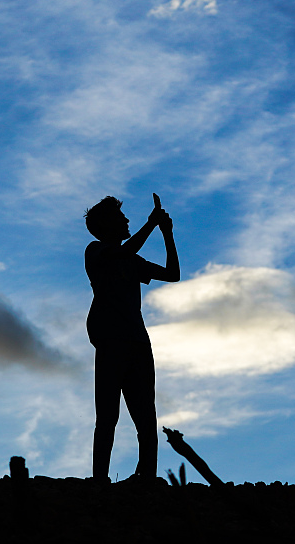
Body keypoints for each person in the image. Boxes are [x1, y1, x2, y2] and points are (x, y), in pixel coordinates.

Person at [83, 194, 179, 484]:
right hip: (111, 341)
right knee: (108, 416)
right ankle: (100, 478)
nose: (126, 220)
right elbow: (124, 252)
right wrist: (152, 225)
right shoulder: (95, 251)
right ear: (105, 225)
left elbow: (173, 274)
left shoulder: (131, 258)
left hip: (137, 341)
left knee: (145, 417)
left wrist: (167, 234)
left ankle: (146, 476)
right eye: (120, 217)